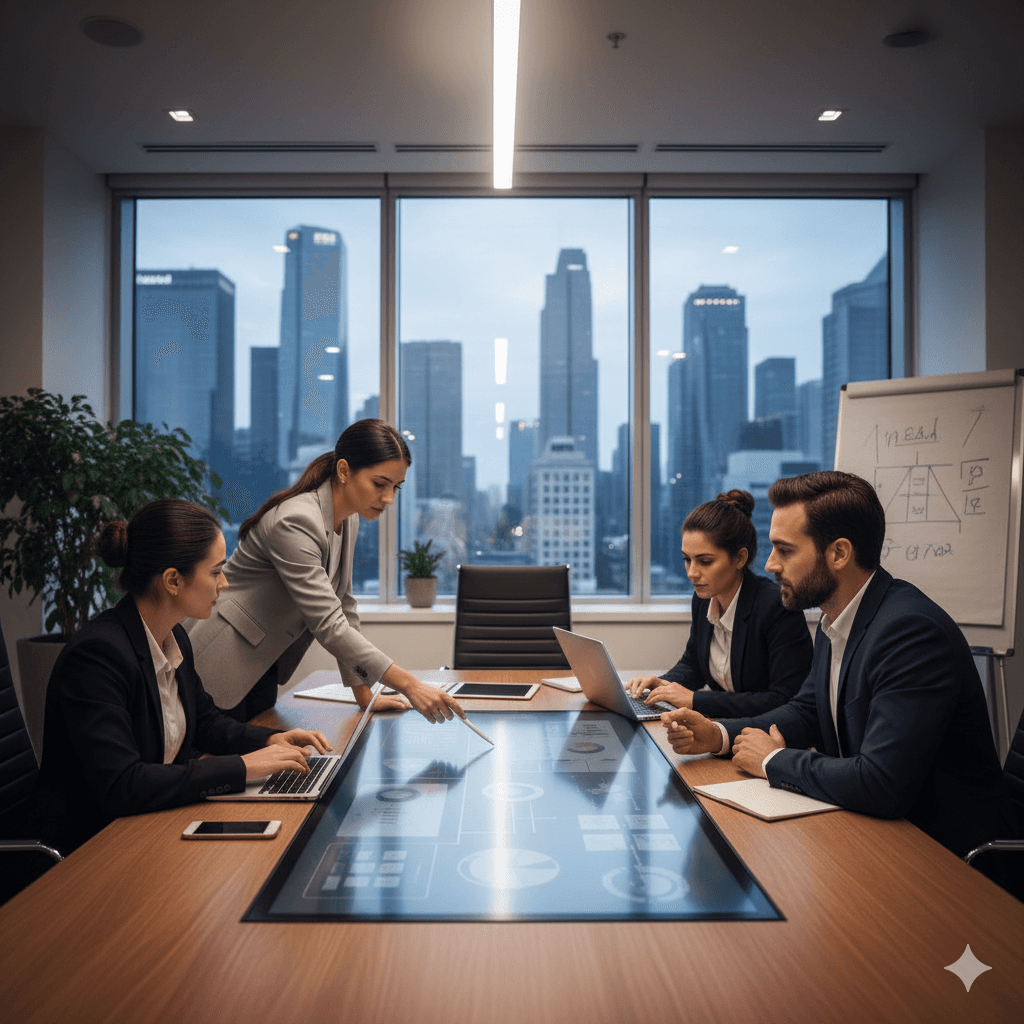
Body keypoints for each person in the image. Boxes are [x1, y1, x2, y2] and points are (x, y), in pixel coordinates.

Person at [662, 470, 1016, 856]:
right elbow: (807, 711)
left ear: (839, 553)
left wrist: (773, 759)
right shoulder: (838, 618)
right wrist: (717, 735)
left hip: (949, 857)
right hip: (879, 834)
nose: (770, 565)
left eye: (786, 550)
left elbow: (881, 782)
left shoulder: (910, 632)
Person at [37, 500, 331, 852]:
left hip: (147, 825)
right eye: (215, 571)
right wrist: (241, 767)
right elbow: (123, 783)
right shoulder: (97, 656)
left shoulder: (174, 638)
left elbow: (206, 723)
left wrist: (269, 742)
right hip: (89, 848)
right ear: (173, 581)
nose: (224, 583)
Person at [187, 419, 465, 725]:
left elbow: (343, 605)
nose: (389, 499)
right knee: (217, 764)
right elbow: (329, 623)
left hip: (263, 662)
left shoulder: (348, 519)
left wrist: (363, 693)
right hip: (222, 658)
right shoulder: (297, 521)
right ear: (344, 471)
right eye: (379, 484)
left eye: (396, 488)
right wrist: (411, 684)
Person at [626, 490, 812, 717]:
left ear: (740, 559)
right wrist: (662, 685)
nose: (692, 573)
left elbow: (785, 699)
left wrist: (696, 700)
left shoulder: (775, 606)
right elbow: (693, 664)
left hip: (767, 737)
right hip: (723, 728)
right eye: (687, 559)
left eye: (705, 561)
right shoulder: (704, 599)